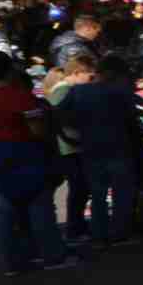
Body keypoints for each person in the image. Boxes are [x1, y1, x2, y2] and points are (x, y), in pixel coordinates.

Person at [0, 48, 72, 274]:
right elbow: (37, 130)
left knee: (5, 212)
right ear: (9, 69)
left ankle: (12, 263)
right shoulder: (22, 97)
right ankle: (52, 256)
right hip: (26, 152)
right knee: (40, 207)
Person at [55, 53, 141, 248]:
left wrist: (71, 135)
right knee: (122, 193)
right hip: (118, 147)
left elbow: (58, 114)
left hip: (90, 148)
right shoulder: (118, 91)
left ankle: (99, 234)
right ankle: (119, 233)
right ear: (113, 73)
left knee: (97, 194)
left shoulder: (78, 91)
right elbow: (134, 115)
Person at [40, 50, 98, 245]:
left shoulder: (63, 90)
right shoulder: (63, 91)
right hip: (69, 149)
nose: (91, 81)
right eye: (89, 76)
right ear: (76, 73)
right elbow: (62, 121)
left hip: (69, 147)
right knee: (79, 189)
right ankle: (74, 228)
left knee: (80, 188)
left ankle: (77, 226)